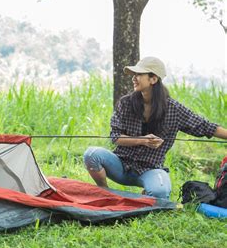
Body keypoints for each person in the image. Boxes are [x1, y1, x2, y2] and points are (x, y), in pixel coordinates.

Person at [83, 56, 227, 199]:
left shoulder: (174, 109)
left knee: (161, 192)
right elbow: (115, 137)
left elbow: (206, 127)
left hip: (150, 169)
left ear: (153, 79)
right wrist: (142, 140)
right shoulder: (125, 103)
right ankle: (104, 192)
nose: (134, 78)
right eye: (134, 74)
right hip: (120, 165)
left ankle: (145, 195)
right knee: (91, 154)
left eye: (139, 74)